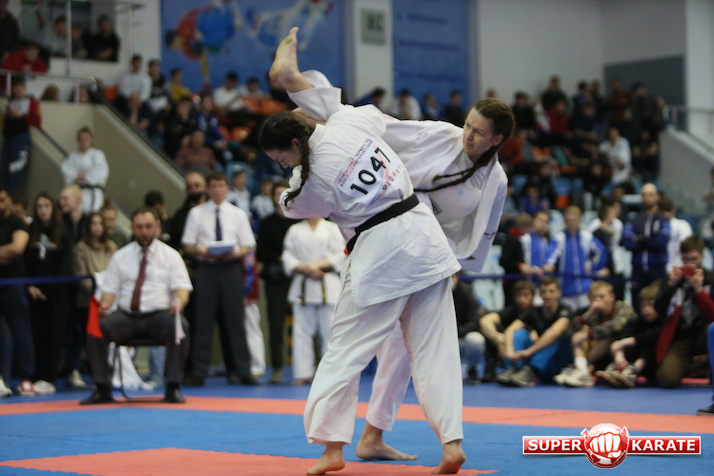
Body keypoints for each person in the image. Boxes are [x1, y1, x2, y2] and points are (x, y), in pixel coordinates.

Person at [272, 26, 511, 462]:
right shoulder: (440, 135)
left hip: (419, 249)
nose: (468, 135)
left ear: (497, 140)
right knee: (391, 346)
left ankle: (376, 437)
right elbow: (380, 128)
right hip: (389, 227)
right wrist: (316, 115)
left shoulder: (494, 180)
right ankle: (295, 82)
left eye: (479, 132)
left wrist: (457, 266)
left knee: (393, 351)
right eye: (468, 125)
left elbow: (480, 233)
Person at [259, 109, 464, 476]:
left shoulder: (309, 180)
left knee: (345, 350)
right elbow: (372, 116)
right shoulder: (347, 122)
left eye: (282, 158)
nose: (282, 165)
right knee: (437, 350)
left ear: (295, 143)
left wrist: (297, 169)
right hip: (424, 237)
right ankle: (451, 444)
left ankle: (331, 447)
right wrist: (318, 117)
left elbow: (288, 205)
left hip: (382, 253)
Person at [81, 208, 192, 404]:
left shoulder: (171, 256)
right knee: (97, 327)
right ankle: (102, 387)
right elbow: (109, 291)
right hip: (127, 317)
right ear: (132, 228)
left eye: (148, 227)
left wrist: (178, 303)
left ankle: (173, 386)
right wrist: (104, 305)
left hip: (159, 316)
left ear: (157, 228)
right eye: (139, 227)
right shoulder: (120, 256)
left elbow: (182, 290)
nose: (144, 232)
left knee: (180, 325)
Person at [181, 172, 258, 387]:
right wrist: (201, 251)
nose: (217, 190)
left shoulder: (238, 214)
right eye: (213, 186)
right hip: (206, 268)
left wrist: (235, 252)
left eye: (221, 186)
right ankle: (198, 372)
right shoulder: (196, 213)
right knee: (202, 322)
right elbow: (187, 245)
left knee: (236, 321)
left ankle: (243, 371)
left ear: (227, 188)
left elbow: (248, 245)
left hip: (231, 268)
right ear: (207, 189)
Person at [282, 216, 344, 385]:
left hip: (328, 281)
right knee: (301, 331)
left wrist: (317, 266)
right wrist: (305, 269)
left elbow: (342, 253)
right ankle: (303, 373)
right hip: (303, 283)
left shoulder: (332, 228)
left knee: (331, 331)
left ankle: (329, 374)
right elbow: (287, 255)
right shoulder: (295, 229)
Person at [24, 193, 73, 395]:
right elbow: (24, 262)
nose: (43, 210)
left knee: (55, 334)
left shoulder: (63, 233)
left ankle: (50, 377)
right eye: (40, 206)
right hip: (34, 293)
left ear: (53, 209)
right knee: (37, 334)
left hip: (56, 294)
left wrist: (52, 290)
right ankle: (37, 374)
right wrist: (29, 285)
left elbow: (67, 264)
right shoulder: (30, 232)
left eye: (46, 206)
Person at [654, 235, 714, 388]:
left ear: (703, 255)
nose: (690, 264)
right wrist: (670, 286)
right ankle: (698, 366)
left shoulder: (711, 279)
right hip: (681, 336)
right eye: (685, 260)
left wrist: (699, 291)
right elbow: (658, 311)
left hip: (704, 334)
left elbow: (712, 316)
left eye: (694, 259)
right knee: (666, 379)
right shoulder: (673, 279)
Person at [554, 281, 637, 387]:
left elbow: (616, 326)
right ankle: (582, 371)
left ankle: (581, 368)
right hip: (598, 358)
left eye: (601, 296)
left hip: (625, 353)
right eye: (594, 297)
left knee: (605, 335)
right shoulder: (592, 312)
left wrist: (588, 335)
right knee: (582, 331)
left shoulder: (623, 307)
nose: (597, 300)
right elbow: (569, 332)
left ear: (612, 297)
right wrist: (587, 315)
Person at [256, 181, 299, 384]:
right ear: (272, 197)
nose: (280, 197)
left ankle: (312, 365)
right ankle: (277, 368)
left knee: (305, 324)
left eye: (284, 192)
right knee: (276, 325)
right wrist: (280, 258)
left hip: (298, 276)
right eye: (277, 194)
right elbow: (260, 253)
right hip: (275, 280)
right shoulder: (267, 223)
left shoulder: (299, 219)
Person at [497, 276, 574, 387]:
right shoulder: (534, 311)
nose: (547, 295)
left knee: (552, 334)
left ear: (559, 293)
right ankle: (513, 368)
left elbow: (555, 332)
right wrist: (509, 351)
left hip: (559, 363)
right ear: (540, 294)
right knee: (520, 333)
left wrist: (529, 351)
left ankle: (530, 370)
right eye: (544, 291)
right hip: (542, 364)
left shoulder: (566, 310)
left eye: (551, 291)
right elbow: (510, 330)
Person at [72, 212, 117, 388]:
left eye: (100, 223)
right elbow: (80, 275)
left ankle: (110, 371)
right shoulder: (81, 247)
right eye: (93, 223)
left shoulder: (111, 247)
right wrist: (96, 292)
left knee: (108, 338)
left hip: (109, 301)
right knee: (89, 339)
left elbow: (116, 272)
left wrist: (108, 293)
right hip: (88, 301)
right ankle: (93, 373)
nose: (97, 227)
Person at [0, 185, 36, 397]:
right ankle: (2, 379)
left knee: (20, 329)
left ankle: (26, 378)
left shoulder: (17, 222)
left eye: (3, 200)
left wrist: (9, 252)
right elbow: (9, 251)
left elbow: (17, 248)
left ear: (9, 201)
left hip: (13, 284)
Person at [596, 283, 661, 388]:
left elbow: (650, 337)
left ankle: (632, 372)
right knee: (622, 344)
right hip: (631, 361)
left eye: (651, 305)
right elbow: (621, 338)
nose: (646, 309)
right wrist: (619, 356)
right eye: (643, 306)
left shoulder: (664, 322)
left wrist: (624, 342)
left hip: (653, 367)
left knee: (649, 346)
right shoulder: (638, 321)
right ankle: (618, 369)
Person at [543, 206, 609, 310]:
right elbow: (550, 257)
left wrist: (594, 267)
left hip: (585, 287)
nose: (571, 223)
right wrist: (549, 265)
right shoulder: (559, 238)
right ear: (564, 221)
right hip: (565, 287)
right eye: (568, 220)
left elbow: (601, 251)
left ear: (579, 220)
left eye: (574, 220)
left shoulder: (587, 236)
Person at [623, 183, 670, 313]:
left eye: (651, 194)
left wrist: (641, 238)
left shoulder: (663, 219)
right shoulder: (634, 219)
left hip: (657, 270)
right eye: (644, 195)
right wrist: (650, 239)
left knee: (658, 307)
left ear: (657, 197)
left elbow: (662, 242)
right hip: (638, 271)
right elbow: (627, 242)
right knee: (637, 308)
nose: (647, 197)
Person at [480, 280, 536, 382]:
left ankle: (525, 370)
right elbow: (486, 321)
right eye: (519, 295)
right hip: (508, 351)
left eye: (526, 295)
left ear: (533, 296)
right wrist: (498, 341)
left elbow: (535, 337)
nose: (522, 299)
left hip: (529, 352)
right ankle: (493, 368)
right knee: (492, 331)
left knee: (519, 335)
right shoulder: (511, 311)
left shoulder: (537, 312)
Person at [1, 76, 42, 193]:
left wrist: (21, 116)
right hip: (9, 135)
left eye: (20, 89)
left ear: (25, 88)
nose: (18, 91)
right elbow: (5, 120)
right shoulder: (11, 101)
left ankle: (12, 193)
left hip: (21, 136)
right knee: (3, 166)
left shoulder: (31, 102)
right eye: (16, 89)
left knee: (16, 166)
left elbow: (37, 121)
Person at [61, 127, 109, 213]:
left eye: (86, 138)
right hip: (77, 191)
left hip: (93, 192)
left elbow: (101, 172)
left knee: (93, 215)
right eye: (81, 138)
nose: (84, 141)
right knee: (77, 214)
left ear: (91, 140)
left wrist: (81, 176)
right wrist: (83, 175)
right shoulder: (72, 157)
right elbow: (68, 174)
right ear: (78, 140)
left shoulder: (97, 154)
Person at [168, 172, 207, 251]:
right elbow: (174, 241)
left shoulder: (214, 210)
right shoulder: (179, 216)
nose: (193, 189)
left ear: (205, 187)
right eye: (189, 187)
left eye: (197, 185)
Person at [659, 196, 693, 272]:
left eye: (667, 211)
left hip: (678, 267)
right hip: (662, 268)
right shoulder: (656, 226)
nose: (665, 214)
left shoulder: (682, 225)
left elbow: (687, 247)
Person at [0, 0, 21, 65]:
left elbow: (17, 41)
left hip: (7, 56)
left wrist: (8, 52)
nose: (2, 4)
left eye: (4, 2)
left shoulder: (12, 22)